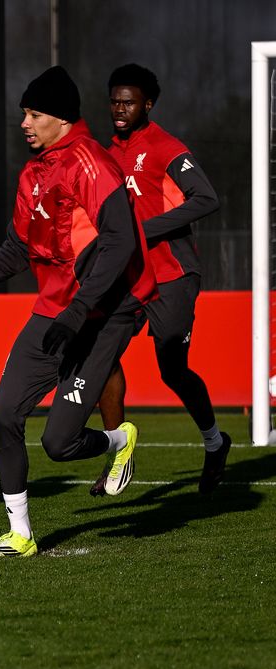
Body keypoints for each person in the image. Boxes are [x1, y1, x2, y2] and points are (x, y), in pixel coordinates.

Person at [0, 66, 157, 558]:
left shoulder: (91, 162)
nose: (25, 122)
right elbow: (20, 248)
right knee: (2, 415)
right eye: (24, 113)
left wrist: (78, 310)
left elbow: (121, 241)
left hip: (103, 314)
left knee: (59, 444)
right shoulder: (33, 172)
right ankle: (20, 534)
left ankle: (118, 440)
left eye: (34, 114)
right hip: (56, 310)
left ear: (61, 118)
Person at [93, 63, 230, 496]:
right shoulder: (106, 154)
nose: (119, 109)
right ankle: (118, 455)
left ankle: (215, 443)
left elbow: (206, 198)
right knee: (100, 357)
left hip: (172, 274)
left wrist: (143, 230)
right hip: (128, 277)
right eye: (114, 101)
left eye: (128, 102)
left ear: (148, 105)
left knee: (172, 369)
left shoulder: (165, 146)